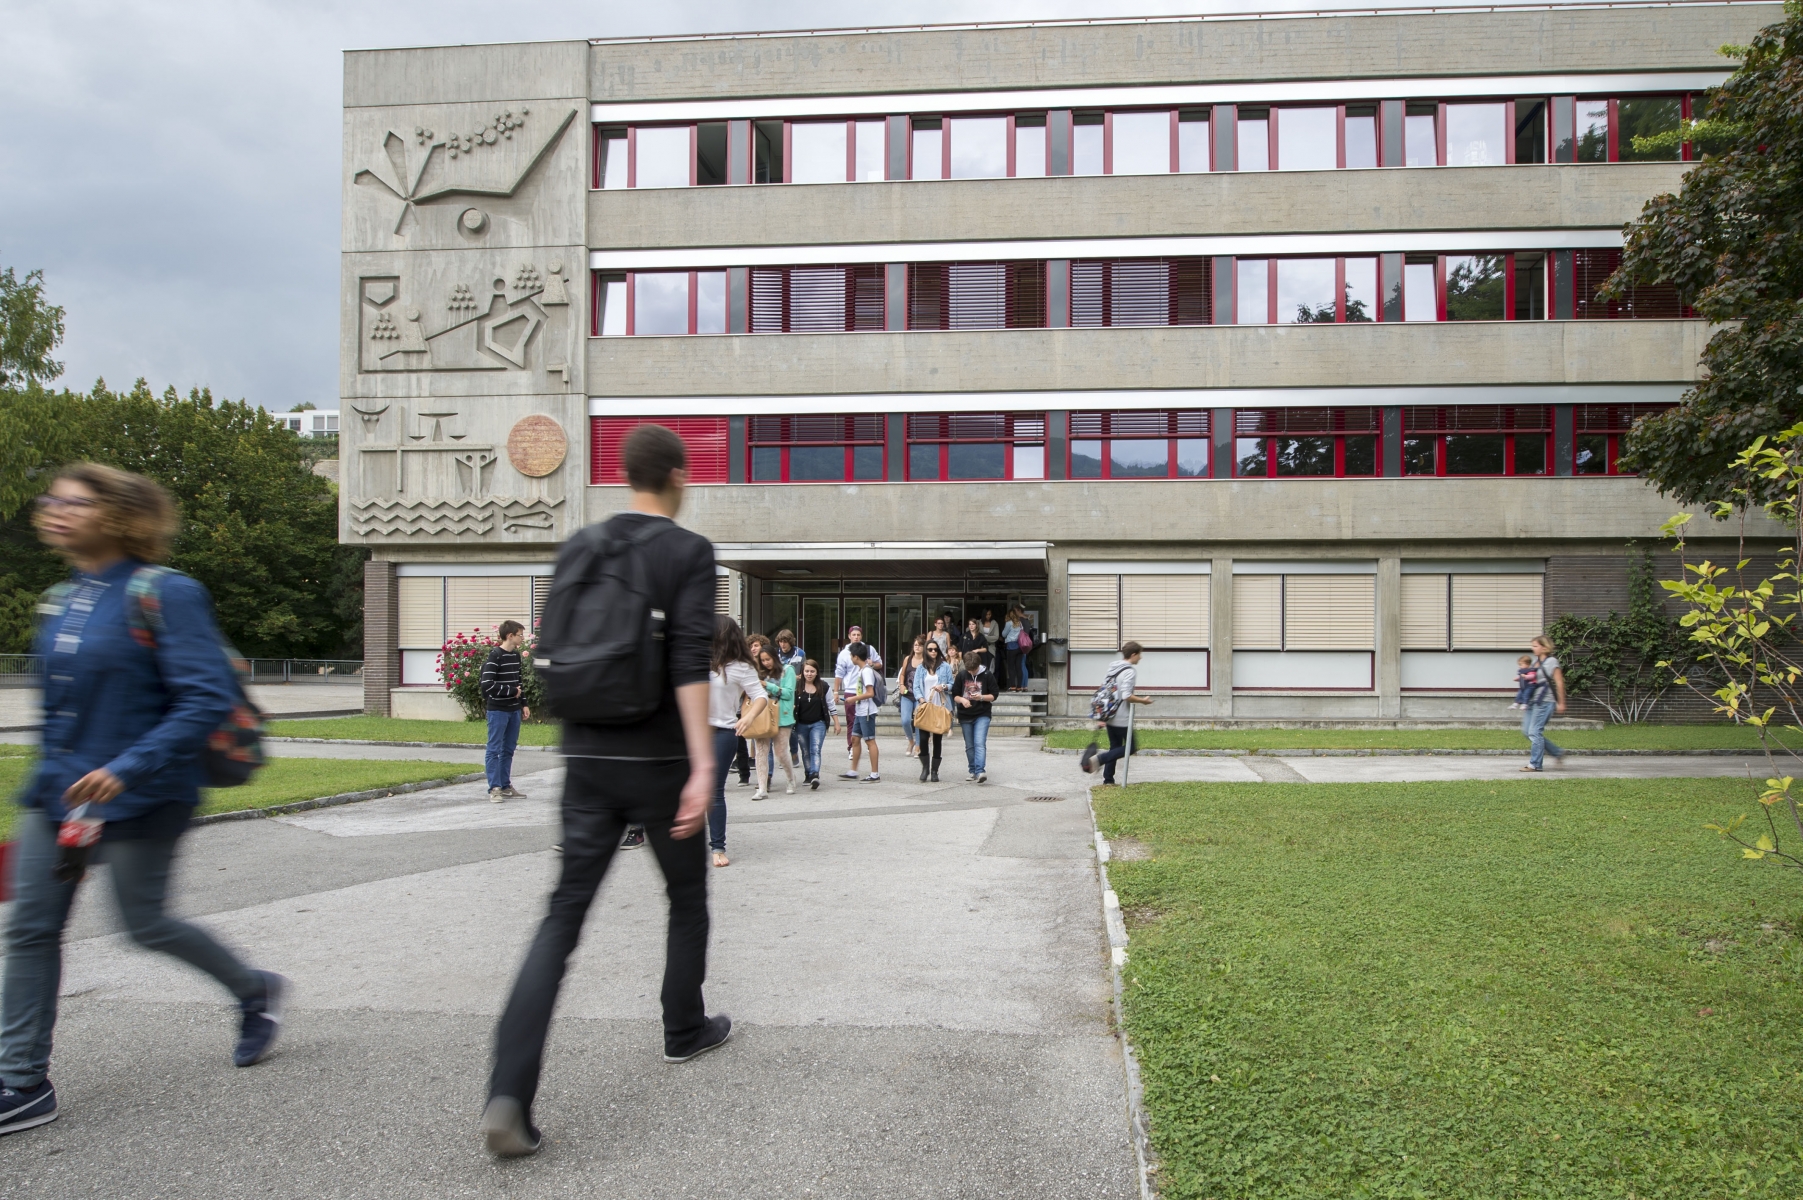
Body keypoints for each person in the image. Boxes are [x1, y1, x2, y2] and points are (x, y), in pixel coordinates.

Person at [1, 464, 285, 1138]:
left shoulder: (165, 593)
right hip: (60, 797)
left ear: (122, 515)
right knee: (30, 927)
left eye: (77, 502)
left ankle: (253, 990)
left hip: (143, 793)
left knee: (145, 924)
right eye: (53, 501)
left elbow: (205, 698)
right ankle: (21, 1079)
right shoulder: (63, 597)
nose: (57, 511)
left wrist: (127, 768)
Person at [483, 424, 729, 1158]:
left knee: (560, 919)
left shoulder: (580, 546)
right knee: (684, 900)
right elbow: (688, 663)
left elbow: (554, 647)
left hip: (585, 757)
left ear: (624, 476)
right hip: (655, 761)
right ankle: (683, 1028)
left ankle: (509, 1093)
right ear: (678, 476)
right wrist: (702, 765)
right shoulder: (687, 551)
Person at [707, 618, 765, 862]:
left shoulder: (742, 666)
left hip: (722, 731)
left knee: (713, 791)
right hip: (690, 733)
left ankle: (718, 847)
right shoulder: (696, 660)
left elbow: (760, 695)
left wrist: (748, 717)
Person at [1081, 642, 1154, 787]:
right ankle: (1099, 760)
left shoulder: (1113, 667)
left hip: (1109, 715)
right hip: (1121, 717)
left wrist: (1102, 716)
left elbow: (1104, 689)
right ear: (1133, 655)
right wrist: (1143, 701)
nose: (1141, 657)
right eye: (1140, 654)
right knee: (1131, 747)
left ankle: (1108, 780)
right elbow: (1127, 695)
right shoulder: (1129, 671)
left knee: (1115, 746)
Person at [481, 620, 532, 803]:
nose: (522, 638)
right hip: (498, 710)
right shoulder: (495, 656)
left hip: (514, 710)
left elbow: (518, 682)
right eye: (520, 635)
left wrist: (523, 703)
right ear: (510, 635)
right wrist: (511, 691)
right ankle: (494, 788)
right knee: (494, 748)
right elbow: (487, 685)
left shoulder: (516, 656)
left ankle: (505, 785)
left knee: (508, 749)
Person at [753, 645, 797, 797]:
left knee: (780, 752)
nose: (766, 663)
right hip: (761, 714)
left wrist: (768, 685)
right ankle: (762, 787)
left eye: (768, 659)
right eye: (763, 660)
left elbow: (789, 693)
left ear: (774, 657)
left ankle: (791, 779)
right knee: (761, 751)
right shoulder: (759, 673)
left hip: (782, 715)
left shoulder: (787, 670)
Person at [1520, 635, 1567, 772]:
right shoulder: (1535, 662)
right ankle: (1557, 752)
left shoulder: (1552, 661)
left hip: (1545, 701)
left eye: (1535, 646)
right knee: (1527, 731)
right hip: (1532, 701)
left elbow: (1559, 682)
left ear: (1544, 647)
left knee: (1534, 732)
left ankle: (1535, 764)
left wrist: (1561, 702)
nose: (1532, 648)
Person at [833, 625, 880, 761]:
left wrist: (872, 664)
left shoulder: (868, 650)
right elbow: (839, 673)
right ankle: (852, 747)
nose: (856, 637)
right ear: (849, 636)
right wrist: (836, 691)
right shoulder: (844, 653)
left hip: (864, 692)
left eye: (858, 635)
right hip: (850, 690)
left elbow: (879, 663)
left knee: (863, 722)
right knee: (851, 721)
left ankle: (867, 744)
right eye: (853, 635)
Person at [953, 646, 998, 784]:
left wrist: (982, 697)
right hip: (965, 714)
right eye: (969, 670)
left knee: (979, 743)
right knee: (969, 745)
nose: (971, 671)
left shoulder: (987, 675)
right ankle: (972, 770)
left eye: (974, 669)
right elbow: (955, 695)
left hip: (982, 713)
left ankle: (980, 771)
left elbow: (994, 695)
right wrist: (962, 700)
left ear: (978, 665)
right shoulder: (961, 675)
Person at [841, 642, 881, 783]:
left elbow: (870, 693)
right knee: (855, 739)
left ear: (856, 657)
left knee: (870, 741)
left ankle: (875, 773)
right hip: (860, 710)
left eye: (852, 655)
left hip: (867, 711)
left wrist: (854, 698)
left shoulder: (867, 671)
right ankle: (853, 771)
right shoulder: (861, 670)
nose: (851, 658)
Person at [913, 640, 952, 782]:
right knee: (923, 739)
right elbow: (916, 686)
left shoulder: (945, 666)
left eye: (935, 649)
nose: (933, 652)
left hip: (940, 707)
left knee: (937, 740)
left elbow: (952, 684)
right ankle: (925, 768)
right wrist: (921, 699)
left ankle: (935, 771)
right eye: (930, 649)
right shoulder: (921, 668)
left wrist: (943, 686)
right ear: (926, 651)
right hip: (926, 707)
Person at [793, 659, 834, 790]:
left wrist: (836, 723)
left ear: (817, 672)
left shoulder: (824, 686)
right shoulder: (797, 686)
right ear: (802, 672)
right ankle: (808, 774)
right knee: (805, 751)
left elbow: (831, 705)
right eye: (807, 671)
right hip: (801, 724)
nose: (809, 674)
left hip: (818, 723)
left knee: (815, 749)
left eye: (812, 671)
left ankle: (815, 774)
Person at [774, 629, 805, 767]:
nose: (782, 644)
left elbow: (805, 672)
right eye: (780, 641)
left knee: (792, 725)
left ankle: (794, 753)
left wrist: (796, 677)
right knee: (783, 724)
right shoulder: (775, 654)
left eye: (785, 642)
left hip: (796, 691)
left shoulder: (800, 653)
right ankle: (785, 754)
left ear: (790, 642)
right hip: (780, 691)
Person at [895, 635, 926, 760]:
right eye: (916, 645)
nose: (917, 647)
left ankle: (918, 746)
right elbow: (902, 674)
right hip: (907, 694)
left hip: (920, 696)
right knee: (905, 720)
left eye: (920, 645)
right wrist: (901, 685)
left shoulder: (926, 660)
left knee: (918, 722)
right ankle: (911, 740)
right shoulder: (908, 659)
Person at [1002, 607, 1025, 693]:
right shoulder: (1020, 623)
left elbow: (1004, 634)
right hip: (1020, 646)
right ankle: (1019, 687)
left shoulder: (1009, 623)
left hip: (1011, 646)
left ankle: (1012, 686)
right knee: (1018, 667)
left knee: (1011, 667)